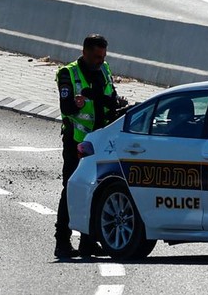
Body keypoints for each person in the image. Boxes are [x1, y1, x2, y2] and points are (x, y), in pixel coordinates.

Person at [54, 34, 127, 258]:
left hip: (101, 139)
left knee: (96, 189)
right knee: (72, 187)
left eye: (103, 56)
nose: (100, 60)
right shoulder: (68, 73)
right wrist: (92, 99)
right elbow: (67, 108)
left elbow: (110, 98)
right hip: (77, 140)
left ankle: (88, 241)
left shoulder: (104, 69)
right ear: (85, 52)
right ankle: (62, 241)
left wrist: (113, 103)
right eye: (96, 56)